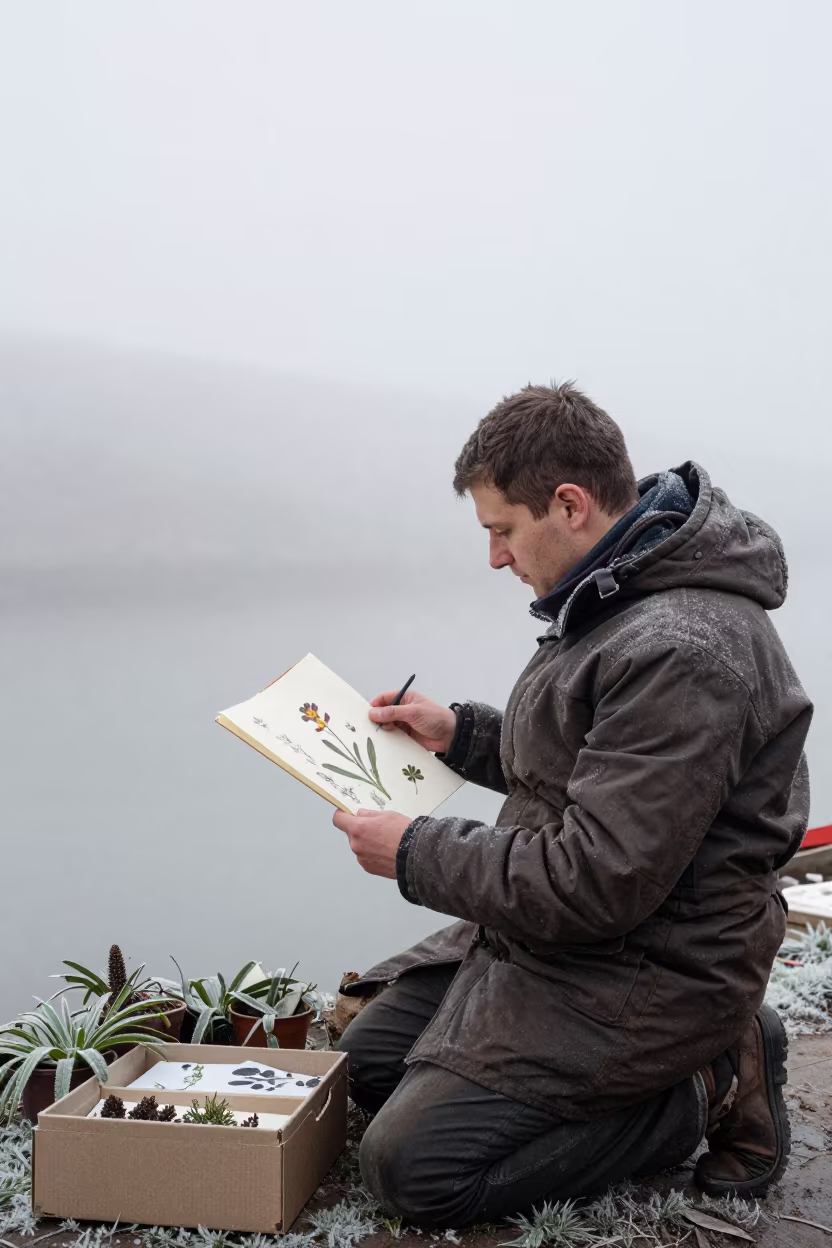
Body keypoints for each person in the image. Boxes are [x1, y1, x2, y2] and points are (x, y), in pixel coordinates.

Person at [332, 383, 812, 1228]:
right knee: (366, 1063)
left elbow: (595, 879)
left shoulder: (683, 649)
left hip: (654, 965)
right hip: (574, 943)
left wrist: (415, 852)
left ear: (570, 504)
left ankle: (714, 1077)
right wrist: (462, 734)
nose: (494, 558)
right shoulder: (616, 589)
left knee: (412, 1170)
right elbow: (584, 759)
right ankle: (668, 1070)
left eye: (501, 531)